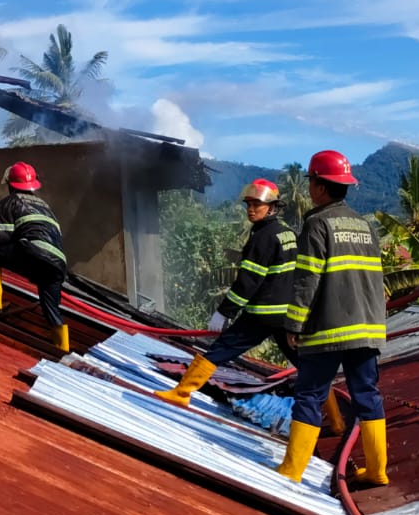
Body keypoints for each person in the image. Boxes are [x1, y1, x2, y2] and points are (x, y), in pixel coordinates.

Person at [278, 151, 390, 487]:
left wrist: (294, 324)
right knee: (367, 395)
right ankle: (377, 471)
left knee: (310, 395)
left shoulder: (317, 223)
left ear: (321, 187)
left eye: (311, 181)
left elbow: (307, 279)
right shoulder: (364, 225)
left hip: (328, 328)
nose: (310, 187)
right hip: (367, 329)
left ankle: (292, 470)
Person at [157, 179, 297, 408]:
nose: (251, 210)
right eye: (249, 204)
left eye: (257, 205)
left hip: (262, 314)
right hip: (286, 315)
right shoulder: (287, 233)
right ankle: (334, 416)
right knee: (307, 365)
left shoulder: (262, 237)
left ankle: (182, 392)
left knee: (221, 349)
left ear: (272, 206)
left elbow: (248, 282)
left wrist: (224, 312)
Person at [0, 161, 72, 352]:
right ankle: (63, 351)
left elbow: (2, 237)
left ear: (10, 184)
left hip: (32, 252)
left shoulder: (9, 203)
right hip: (57, 262)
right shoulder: (45, 206)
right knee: (51, 309)